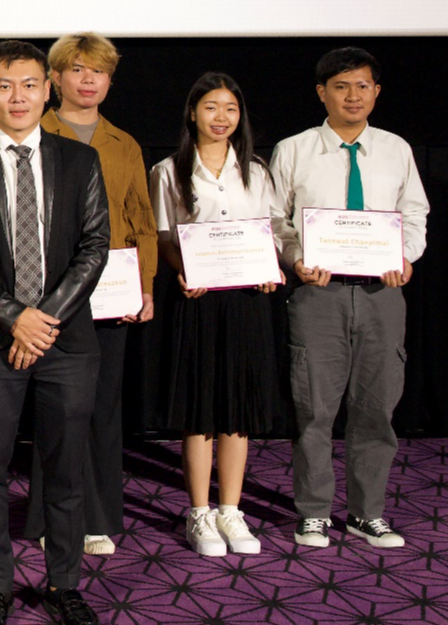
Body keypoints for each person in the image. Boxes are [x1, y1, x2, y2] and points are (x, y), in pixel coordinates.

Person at [0, 40, 109, 625]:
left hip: (65, 339)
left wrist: (44, 318)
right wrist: (14, 317)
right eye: (5, 86)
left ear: (47, 90)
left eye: (30, 85)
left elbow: (95, 246)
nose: (18, 97)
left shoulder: (79, 159)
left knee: (65, 467)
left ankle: (64, 584)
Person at [270, 47, 430, 551]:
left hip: (383, 294)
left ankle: (367, 514)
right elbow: (275, 220)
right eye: (341, 87)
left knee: (375, 410)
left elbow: (415, 213)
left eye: (362, 86)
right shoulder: (294, 149)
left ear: (376, 92)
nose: (353, 96)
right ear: (322, 93)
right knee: (314, 410)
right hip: (319, 294)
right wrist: (296, 259)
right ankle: (314, 513)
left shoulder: (395, 149)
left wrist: (405, 256)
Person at [26, 32, 161, 556]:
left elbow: (141, 220)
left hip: (111, 293)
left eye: (98, 72)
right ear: (55, 79)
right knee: (54, 409)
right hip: (49, 295)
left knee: (102, 408)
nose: (88, 80)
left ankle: (97, 518)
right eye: (78, 69)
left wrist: (145, 286)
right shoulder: (34, 131)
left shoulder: (124, 144)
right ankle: (48, 517)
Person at [149, 73, 282, 556]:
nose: (221, 117)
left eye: (230, 108)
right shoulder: (168, 170)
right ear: (192, 113)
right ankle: (199, 512)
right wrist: (181, 270)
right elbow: (164, 235)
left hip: (246, 300)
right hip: (198, 299)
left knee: (237, 408)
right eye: (210, 107)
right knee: (200, 408)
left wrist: (268, 267)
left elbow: (268, 230)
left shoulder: (256, 170)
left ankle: (231, 509)